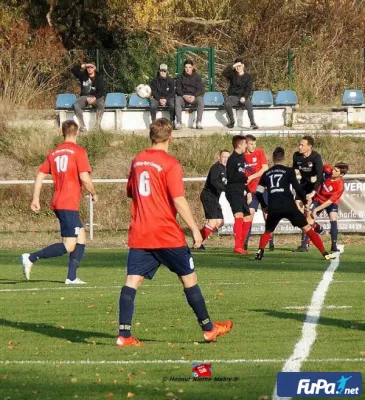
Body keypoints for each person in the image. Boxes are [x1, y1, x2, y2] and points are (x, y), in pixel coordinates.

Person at [116, 118, 232, 347]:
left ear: (151, 137)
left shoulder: (137, 160)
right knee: (189, 279)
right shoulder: (170, 164)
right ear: (170, 138)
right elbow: (178, 200)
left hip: (141, 232)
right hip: (166, 233)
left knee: (131, 282)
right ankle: (209, 329)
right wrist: (195, 231)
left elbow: (131, 192)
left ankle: (124, 335)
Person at [20, 120, 98, 284]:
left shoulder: (54, 153)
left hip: (59, 201)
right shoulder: (78, 151)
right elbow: (84, 177)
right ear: (77, 133)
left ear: (61, 133)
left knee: (81, 237)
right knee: (69, 245)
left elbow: (40, 175)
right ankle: (31, 258)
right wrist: (93, 192)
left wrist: (35, 198)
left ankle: (71, 277)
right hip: (68, 203)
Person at [254, 147, 336, 261]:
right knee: (307, 228)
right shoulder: (289, 171)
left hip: (274, 206)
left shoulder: (266, 173)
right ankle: (325, 253)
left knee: (268, 231)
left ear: (273, 158)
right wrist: (305, 200)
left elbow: (258, 192)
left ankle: (260, 251)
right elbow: (297, 188)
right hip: (289, 206)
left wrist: (264, 206)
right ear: (283, 158)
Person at [242, 134, 275, 251]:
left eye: (254, 144)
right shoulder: (241, 156)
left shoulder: (259, 152)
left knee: (266, 214)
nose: (253, 146)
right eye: (251, 144)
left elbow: (265, 168)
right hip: (251, 191)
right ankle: (244, 242)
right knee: (249, 215)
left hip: (262, 188)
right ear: (245, 144)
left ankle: (270, 242)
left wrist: (251, 177)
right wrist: (246, 190)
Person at [307, 163, 349, 253]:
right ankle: (316, 230)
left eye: (336, 171)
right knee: (308, 219)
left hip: (330, 202)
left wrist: (316, 209)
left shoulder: (340, 186)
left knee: (333, 217)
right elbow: (317, 167)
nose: (333, 171)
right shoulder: (327, 170)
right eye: (334, 169)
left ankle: (334, 245)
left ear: (341, 175)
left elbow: (329, 202)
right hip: (318, 198)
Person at [292, 135, 323, 252]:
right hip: (302, 186)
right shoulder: (296, 156)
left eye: (302, 145)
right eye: (299, 144)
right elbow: (295, 170)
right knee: (299, 215)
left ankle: (305, 244)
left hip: (313, 188)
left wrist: (313, 192)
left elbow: (320, 177)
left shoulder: (316, 157)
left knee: (307, 215)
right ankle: (316, 227)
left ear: (309, 147)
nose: (299, 147)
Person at [198, 149, 230, 249]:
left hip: (214, 198)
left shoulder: (227, 169)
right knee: (212, 222)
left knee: (220, 222)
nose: (225, 159)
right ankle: (198, 243)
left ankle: (199, 238)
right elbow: (214, 182)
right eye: (224, 157)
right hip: (208, 196)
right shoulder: (216, 167)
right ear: (219, 157)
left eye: (228, 157)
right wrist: (226, 189)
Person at [225, 135, 252, 255]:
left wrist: (248, 190)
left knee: (247, 217)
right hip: (233, 190)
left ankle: (241, 245)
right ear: (239, 145)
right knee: (239, 215)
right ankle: (237, 246)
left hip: (241, 190)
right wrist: (245, 177)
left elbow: (242, 176)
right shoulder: (232, 159)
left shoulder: (242, 158)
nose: (247, 145)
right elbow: (231, 177)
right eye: (245, 143)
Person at [222, 57, 258, 130]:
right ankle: (232, 121)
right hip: (233, 96)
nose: (238, 68)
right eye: (236, 66)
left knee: (249, 105)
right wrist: (233, 66)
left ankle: (252, 123)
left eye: (239, 66)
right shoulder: (232, 75)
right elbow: (224, 73)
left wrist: (244, 97)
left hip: (243, 96)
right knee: (227, 104)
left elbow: (248, 89)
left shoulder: (248, 77)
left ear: (243, 66)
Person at [71, 61, 106, 131]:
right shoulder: (83, 75)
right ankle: (82, 126)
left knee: (101, 104)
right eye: (88, 67)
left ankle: (97, 126)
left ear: (94, 68)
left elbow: (102, 92)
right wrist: (83, 65)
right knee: (76, 105)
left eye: (91, 67)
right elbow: (73, 69)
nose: (89, 69)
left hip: (96, 97)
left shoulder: (99, 78)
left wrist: (94, 98)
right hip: (85, 97)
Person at [175, 59, 205, 130]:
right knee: (177, 100)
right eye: (186, 67)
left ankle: (198, 122)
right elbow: (178, 89)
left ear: (192, 67)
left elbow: (200, 89)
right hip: (183, 97)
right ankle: (179, 122)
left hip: (194, 97)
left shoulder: (197, 77)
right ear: (184, 68)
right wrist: (184, 96)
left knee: (201, 101)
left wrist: (194, 96)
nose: (187, 69)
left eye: (189, 67)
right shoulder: (180, 77)